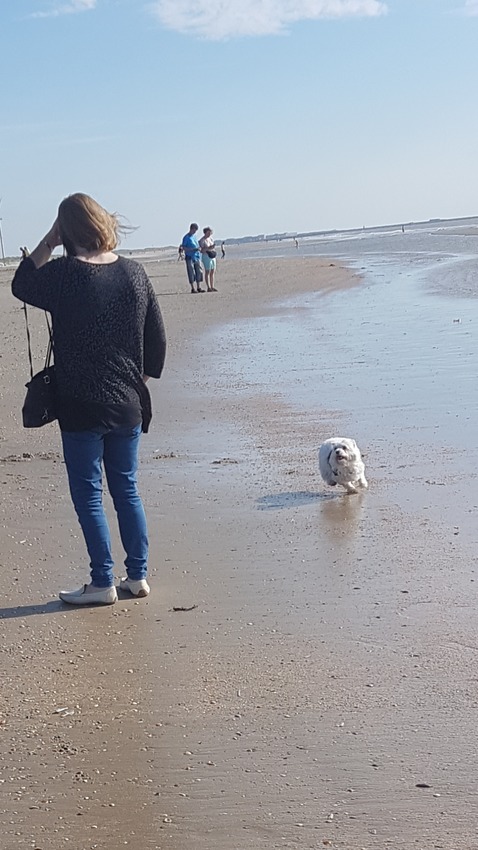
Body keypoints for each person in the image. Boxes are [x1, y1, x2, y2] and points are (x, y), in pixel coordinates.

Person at [11, 193, 166, 606]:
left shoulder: (63, 273)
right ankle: (137, 576)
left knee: (89, 495)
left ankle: (102, 583)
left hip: (80, 403)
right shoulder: (134, 272)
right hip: (127, 401)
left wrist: (48, 241)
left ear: (66, 231)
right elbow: (157, 341)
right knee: (127, 489)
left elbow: (21, 284)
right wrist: (135, 382)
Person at [181, 223, 204, 293]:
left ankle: (198, 287)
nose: (195, 232)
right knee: (191, 271)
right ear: (191, 229)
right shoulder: (186, 237)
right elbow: (183, 247)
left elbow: (197, 245)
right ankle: (193, 288)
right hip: (189, 256)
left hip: (196, 256)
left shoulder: (195, 236)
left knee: (199, 270)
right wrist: (191, 249)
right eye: (194, 230)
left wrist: (199, 248)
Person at [199, 226, 217, 292]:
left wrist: (212, 247)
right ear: (205, 232)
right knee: (207, 271)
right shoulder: (202, 240)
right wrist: (208, 248)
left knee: (213, 271)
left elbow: (213, 246)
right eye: (208, 232)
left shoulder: (211, 239)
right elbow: (201, 250)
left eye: (210, 232)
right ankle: (208, 287)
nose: (209, 234)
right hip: (206, 256)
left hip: (212, 255)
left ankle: (212, 286)